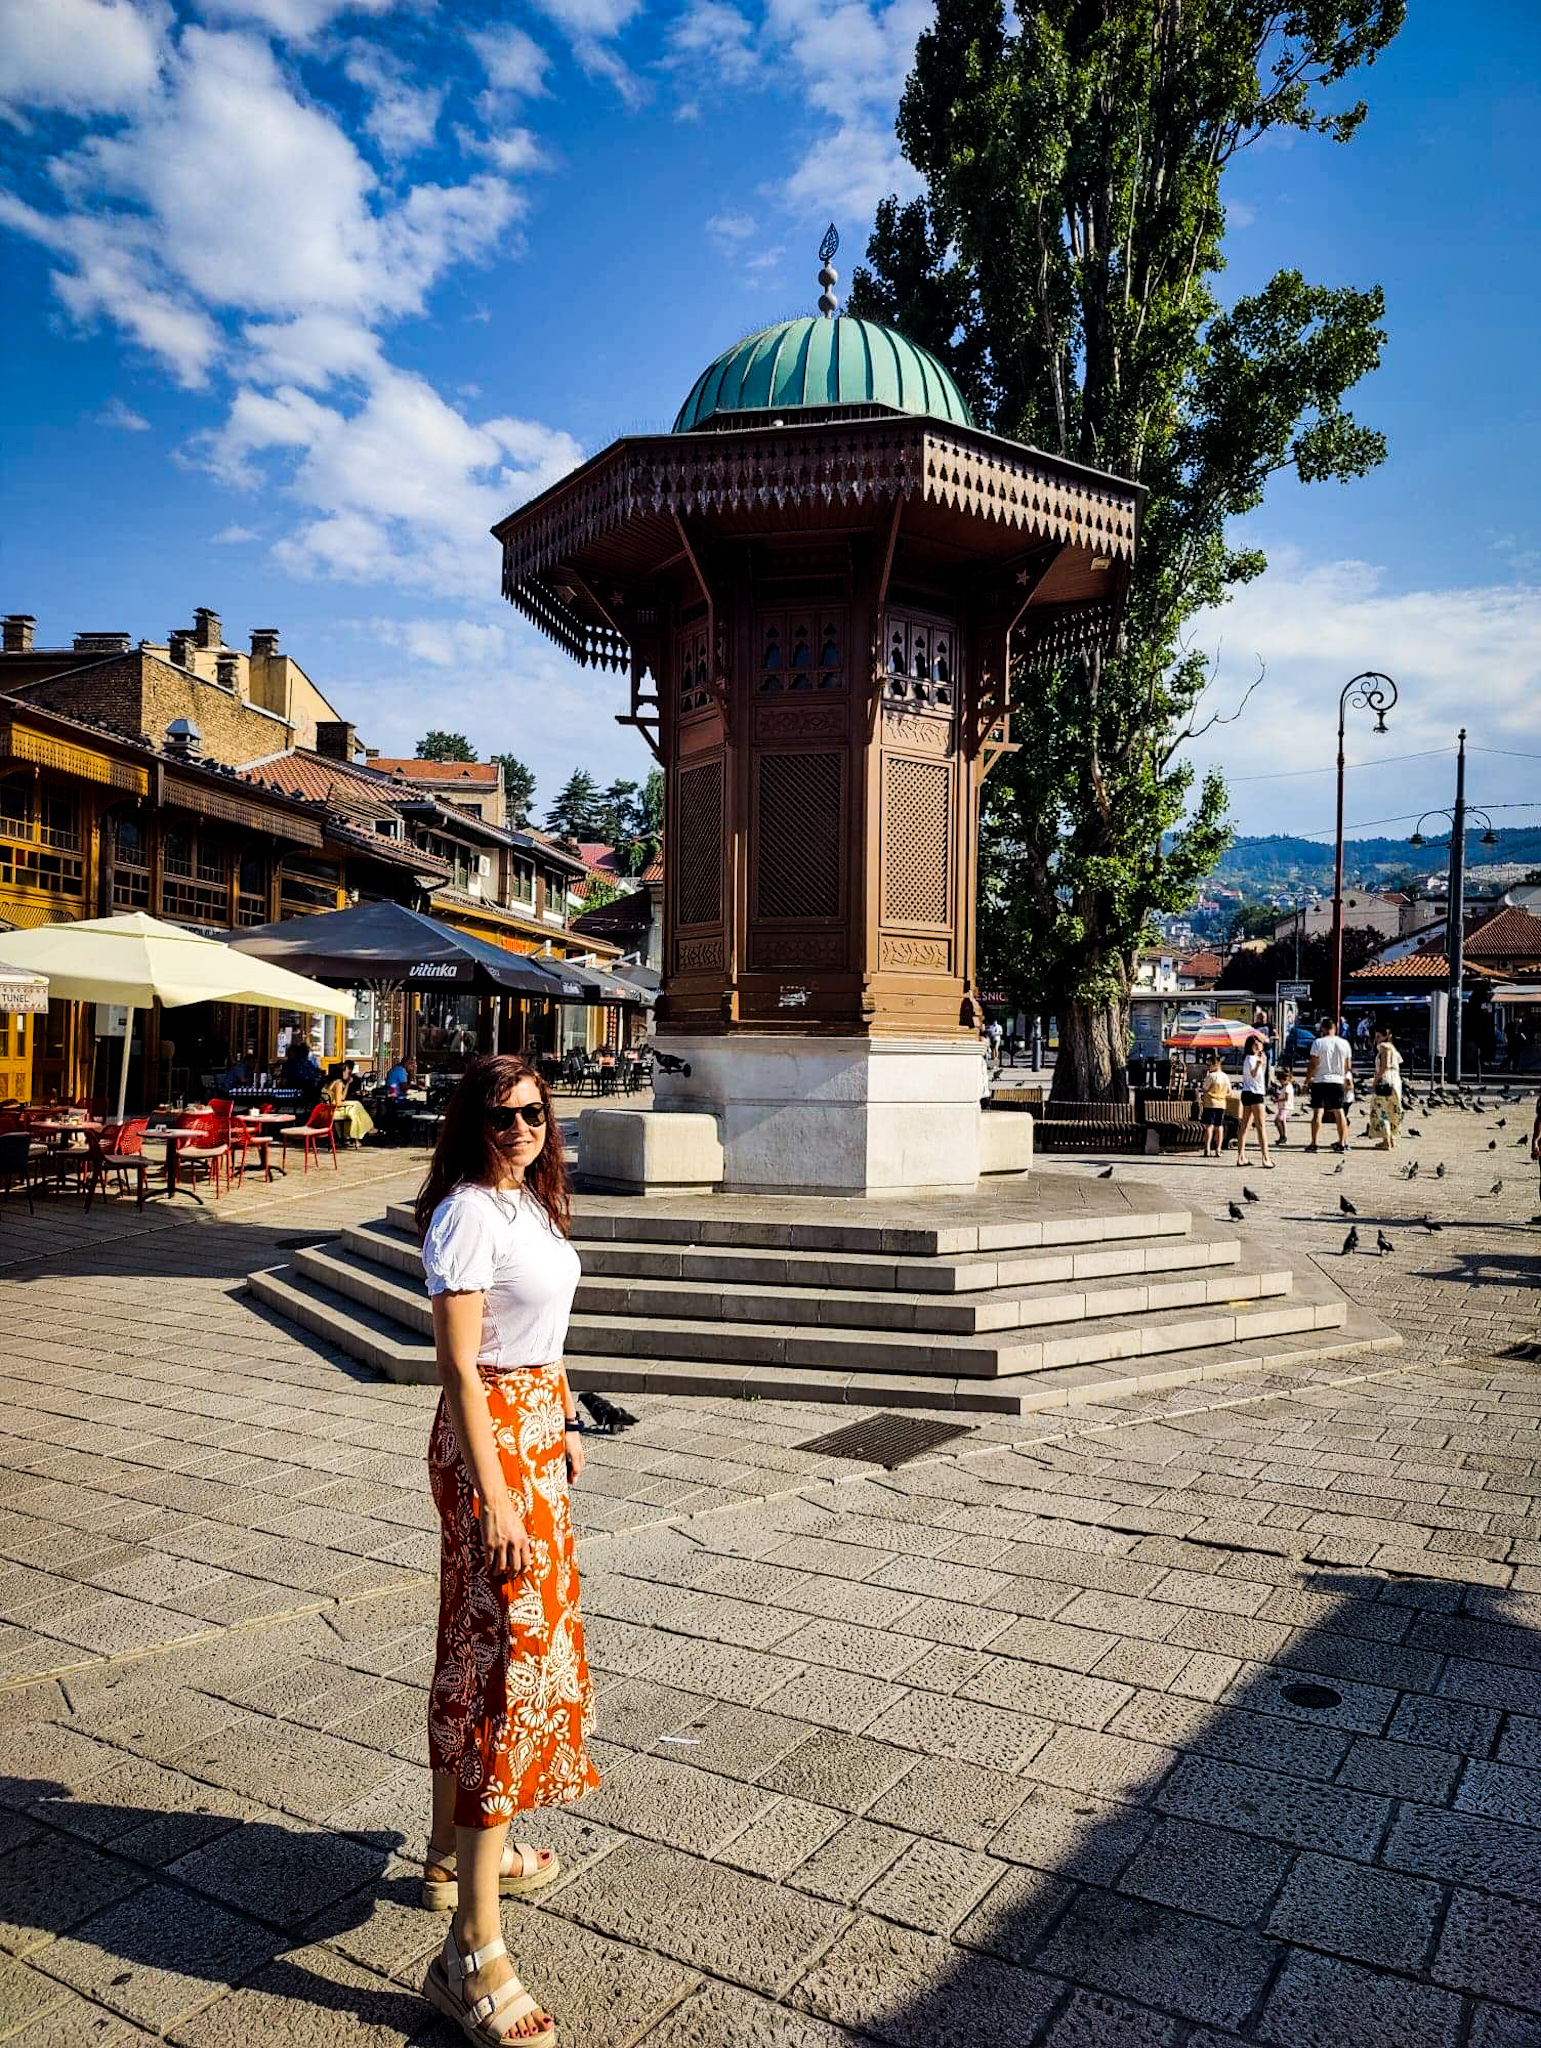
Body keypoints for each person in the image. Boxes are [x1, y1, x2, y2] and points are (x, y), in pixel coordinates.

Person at [415, 1056, 599, 2047]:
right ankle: (470, 1950)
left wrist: (563, 1409)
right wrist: (496, 1494)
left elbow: (539, 1331)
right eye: (500, 1114)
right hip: (490, 1445)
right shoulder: (468, 1212)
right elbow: (458, 1363)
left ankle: (453, 1845)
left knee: (481, 1647)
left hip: (532, 1429)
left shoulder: (528, 1199)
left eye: (532, 1111)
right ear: (470, 1120)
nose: (519, 1126)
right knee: (509, 1673)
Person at [1305, 1013, 1351, 1153]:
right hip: (1337, 1081)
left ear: (1323, 1029)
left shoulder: (1318, 1043)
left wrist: (1307, 1080)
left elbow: (1313, 1064)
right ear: (1335, 1028)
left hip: (1320, 1080)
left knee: (1317, 1112)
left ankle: (1314, 1143)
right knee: (1339, 1112)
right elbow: (1347, 1065)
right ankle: (1342, 1142)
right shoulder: (1344, 1043)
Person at [1367, 1026, 1404, 1150]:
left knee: (1382, 1111)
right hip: (1396, 1081)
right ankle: (1392, 1139)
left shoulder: (1384, 1048)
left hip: (1386, 1080)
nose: (1377, 1039)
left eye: (1378, 1036)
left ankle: (1386, 1140)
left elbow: (1384, 1066)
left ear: (1385, 1036)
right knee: (1393, 1110)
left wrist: (1375, 1081)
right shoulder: (1394, 1049)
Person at [1199, 1050, 1230, 1160]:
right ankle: (1218, 1149)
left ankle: (1207, 1148)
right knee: (1219, 1126)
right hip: (1221, 1104)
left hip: (1210, 1103)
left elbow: (1205, 1089)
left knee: (1209, 1126)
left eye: (1209, 1064)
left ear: (1214, 1064)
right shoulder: (1225, 1077)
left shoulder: (1211, 1076)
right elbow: (1229, 1092)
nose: (1207, 1067)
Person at [1271, 1067, 1295, 1148]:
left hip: (1285, 1106)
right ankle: (1283, 1136)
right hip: (1283, 1106)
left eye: (1280, 1081)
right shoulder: (1286, 1086)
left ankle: (1282, 1136)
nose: (1280, 1083)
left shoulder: (1288, 1087)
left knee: (1278, 1120)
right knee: (1282, 1121)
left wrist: (1277, 1100)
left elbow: (1286, 1098)